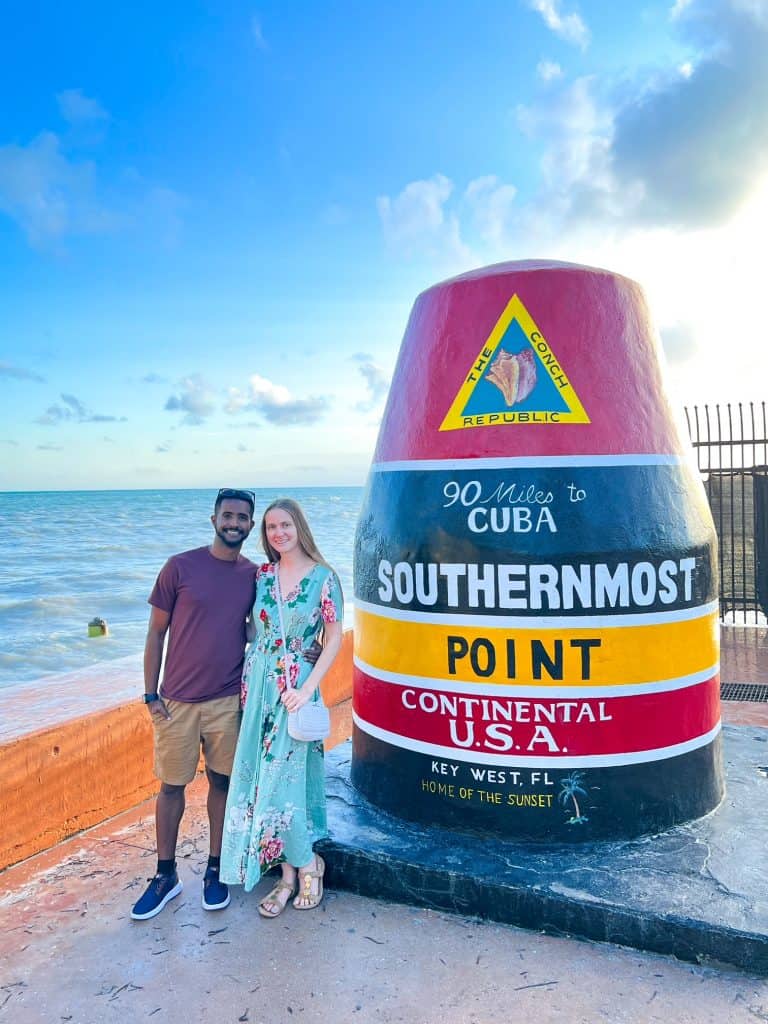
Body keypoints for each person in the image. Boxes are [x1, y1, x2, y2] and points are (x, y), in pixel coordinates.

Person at [220, 498, 343, 916]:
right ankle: (289, 875)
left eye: (285, 525)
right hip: (258, 689)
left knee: (285, 781)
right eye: (271, 527)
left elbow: (333, 639)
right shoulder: (264, 574)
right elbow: (251, 625)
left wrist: (307, 688)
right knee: (265, 782)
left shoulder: (324, 578)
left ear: (299, 527)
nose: (278, 533)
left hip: (295, 692)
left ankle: (307, 866)